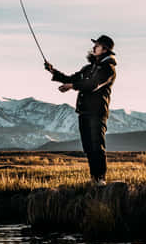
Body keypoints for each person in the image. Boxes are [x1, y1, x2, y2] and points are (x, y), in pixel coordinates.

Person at [45, 35, 117, 186]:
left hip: (97, 112)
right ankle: (94, 179)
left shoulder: (108, 69)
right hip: (84, 112)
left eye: (96, 45)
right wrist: (53, 71)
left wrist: (72, 86)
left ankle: (100, 179)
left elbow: (92, 84)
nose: (93, 47)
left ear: (104, 49)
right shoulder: (89, 68)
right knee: (89, 147)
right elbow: (72, 78)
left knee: (97, 146)